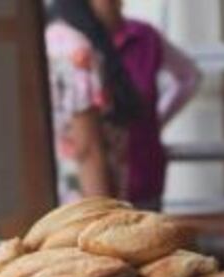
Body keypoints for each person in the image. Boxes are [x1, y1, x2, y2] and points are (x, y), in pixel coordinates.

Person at [46, 0, 201, 209]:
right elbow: (87, 149)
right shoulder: (77, 50)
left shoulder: (143, 37)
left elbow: (189, 76)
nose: (120, 5)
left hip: (133, 180)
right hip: (92, 202)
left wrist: (156, 119)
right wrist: (105, 215)